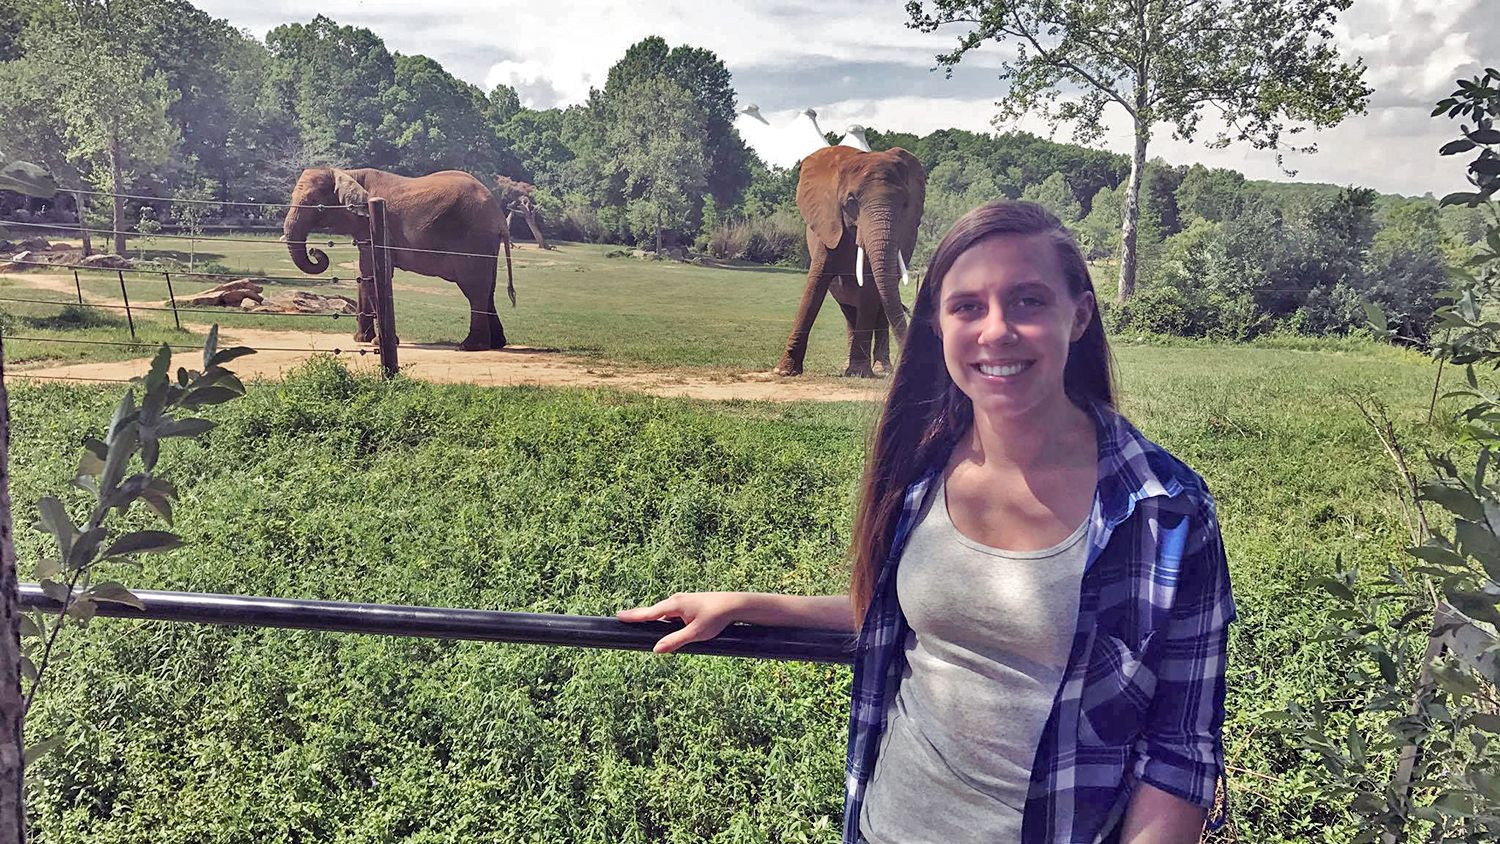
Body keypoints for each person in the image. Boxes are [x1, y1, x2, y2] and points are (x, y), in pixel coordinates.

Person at [619, 201, 1235, 843]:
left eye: (1028, 301)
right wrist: (751, 605)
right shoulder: (924, 462)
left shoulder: (1163, 508)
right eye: (967, 306)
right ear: (938, 325)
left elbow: (1181, 749)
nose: (995, 330)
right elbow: (917, 612)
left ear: (1078, 314)